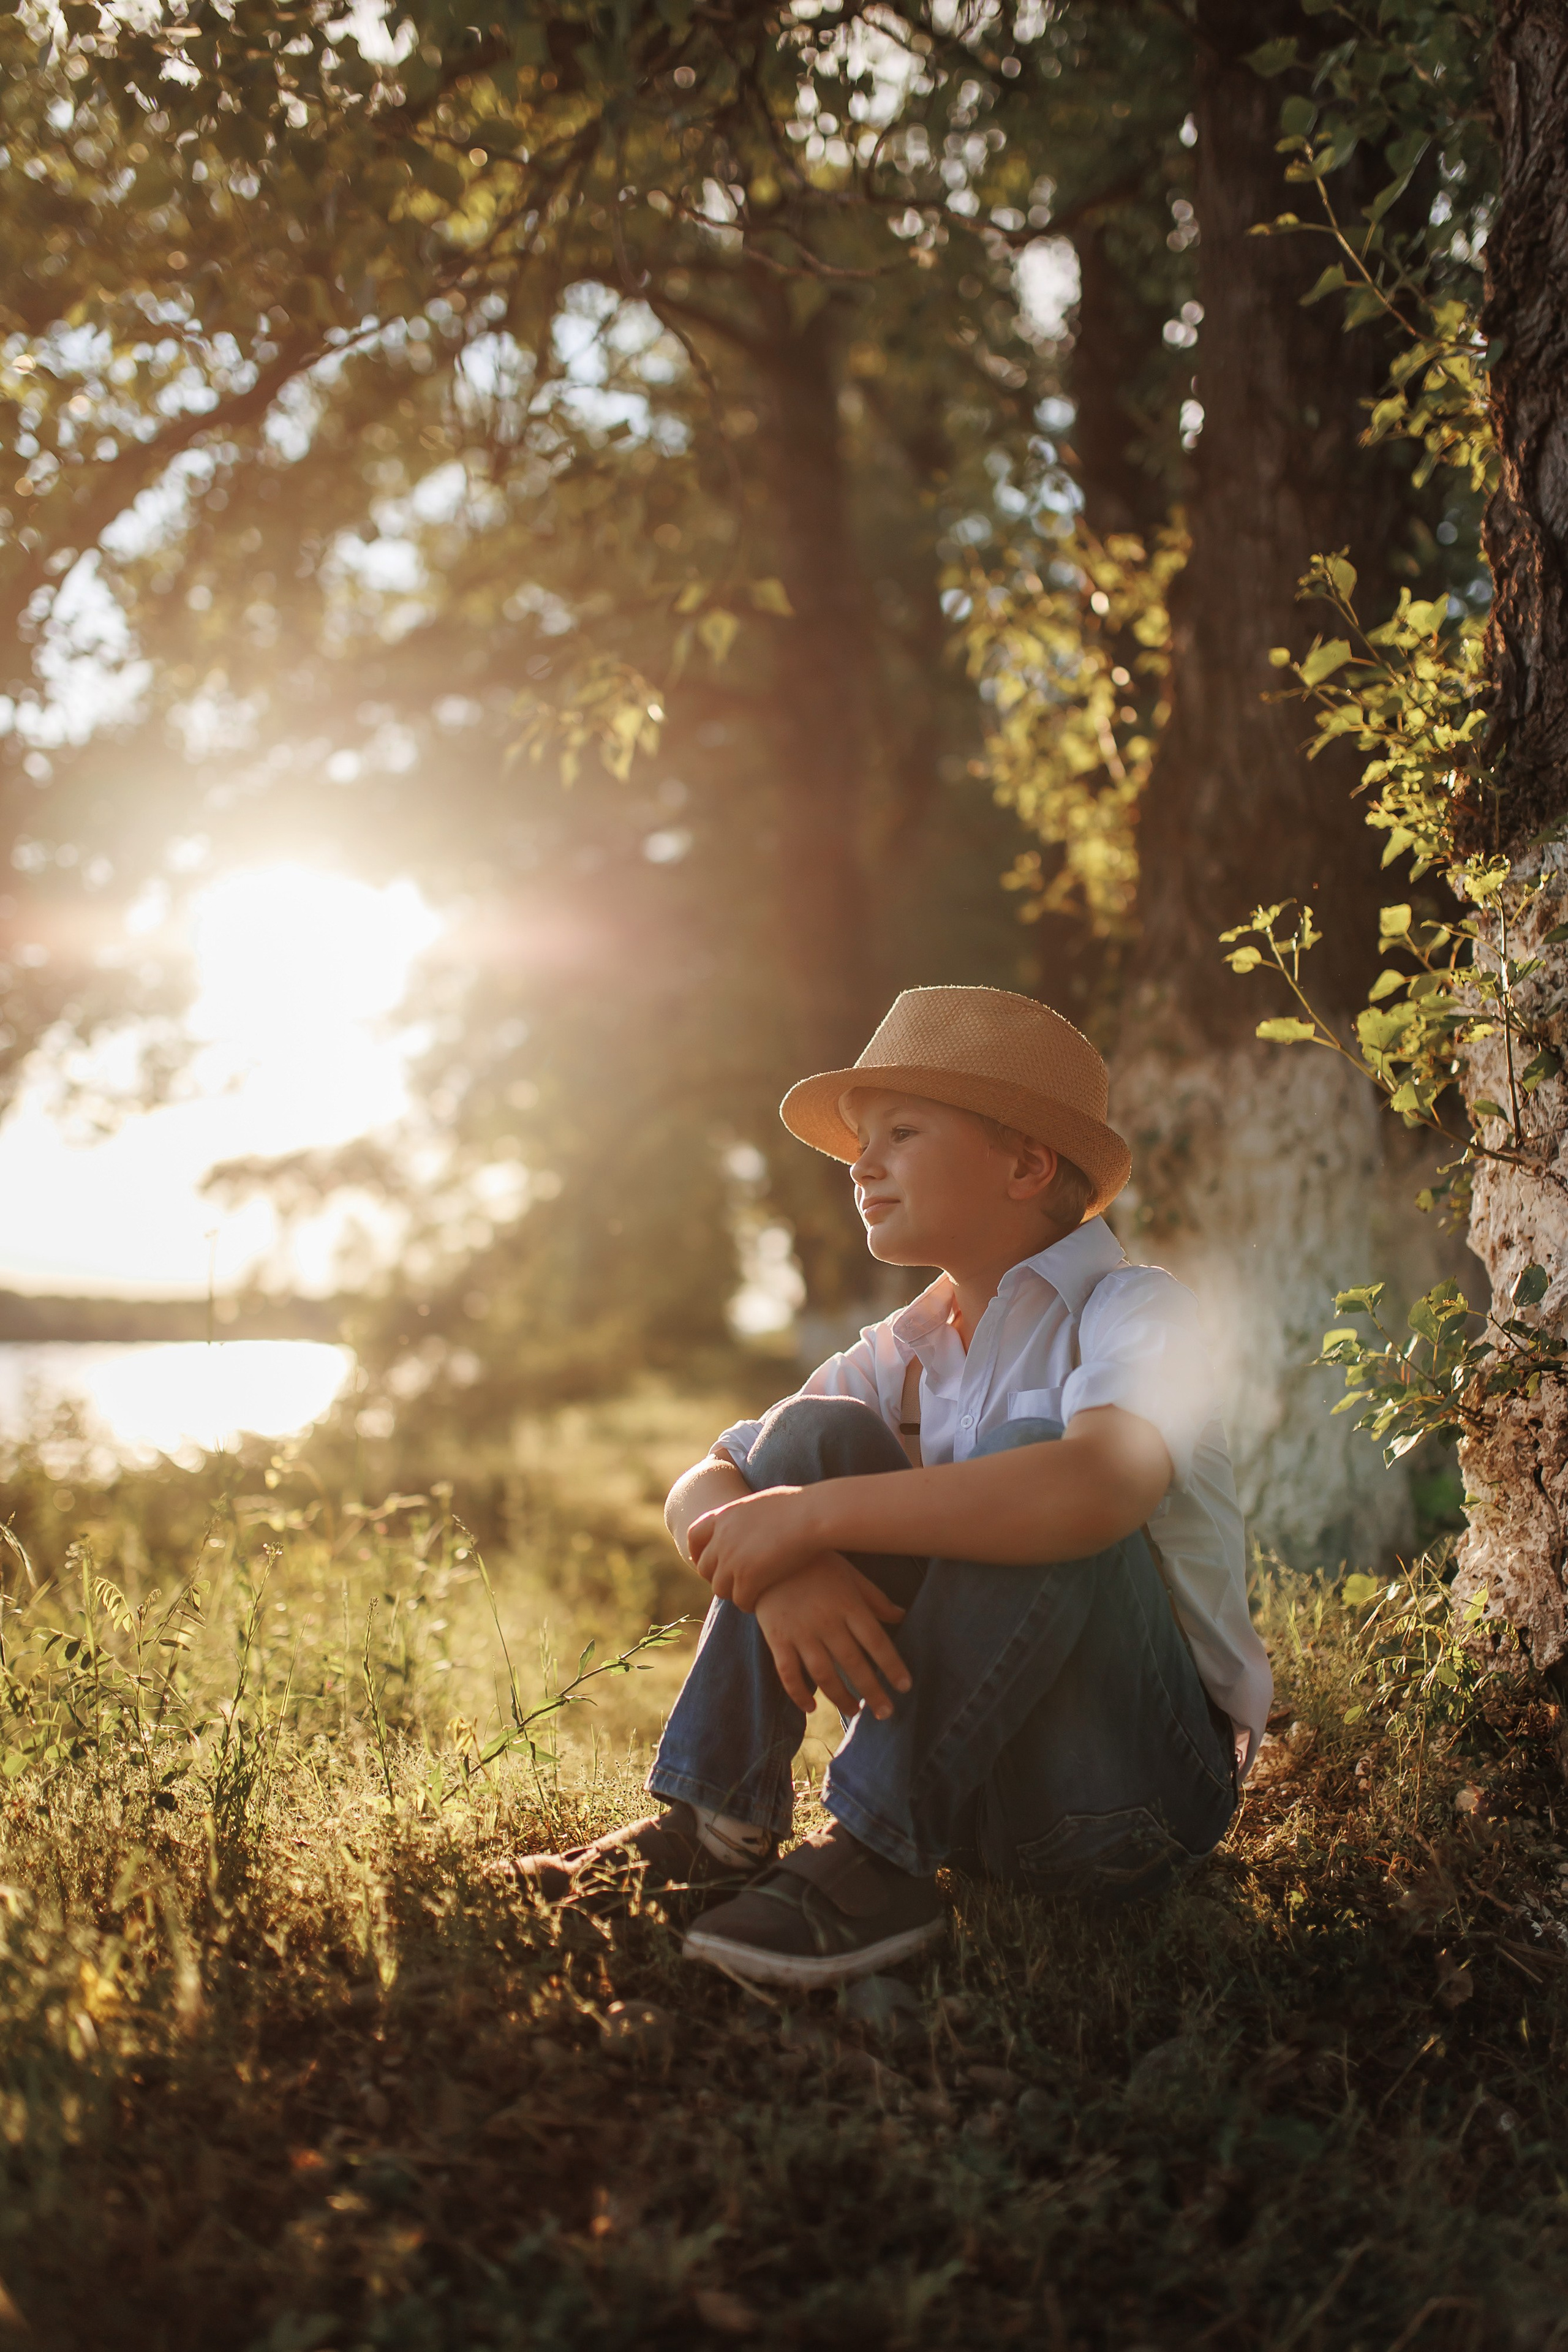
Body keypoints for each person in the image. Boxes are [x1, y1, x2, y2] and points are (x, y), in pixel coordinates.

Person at [509, 986, 1272, 1989]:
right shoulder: (902, 1349)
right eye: (862, 1141)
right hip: (973, 1790)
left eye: (901, 1133)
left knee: (1035, 1450)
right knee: (809, 1434)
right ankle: (717, 1832)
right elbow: (707, 1484)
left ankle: (873, 1862)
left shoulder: (1139, 1311)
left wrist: (809, 1520)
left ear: (1028, 1162)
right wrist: (784, 1570)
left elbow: (1095, 1489)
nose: (861, 1164)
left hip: (1127, 1797)